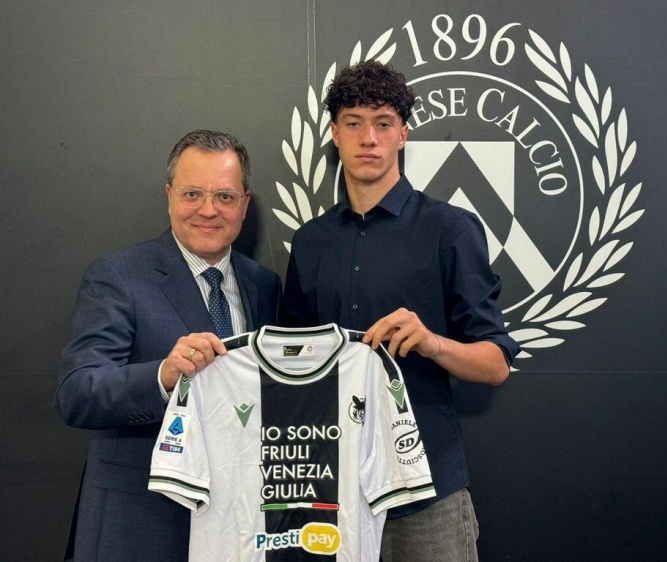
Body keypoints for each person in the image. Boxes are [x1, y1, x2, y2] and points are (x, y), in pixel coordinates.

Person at [282, 61, 520, 562]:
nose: (368, 138)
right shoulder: (310, 242)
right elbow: (292, 369)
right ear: (335, 134)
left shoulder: (451, 229)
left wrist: (432, 343)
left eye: (383, 123)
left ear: (403, 134)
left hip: (428, 489)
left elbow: (496, 364)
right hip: (333, 490)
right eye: (353, 123)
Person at [55, 129, 281, 561]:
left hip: (236, 526)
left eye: (225, 197)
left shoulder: (264, 285)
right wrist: (163, 376)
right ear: (170, 195)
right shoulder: (119, 275)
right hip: (138, 525)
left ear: (244, 203)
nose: (208, 210)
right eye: (192, 193)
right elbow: (76, 393)